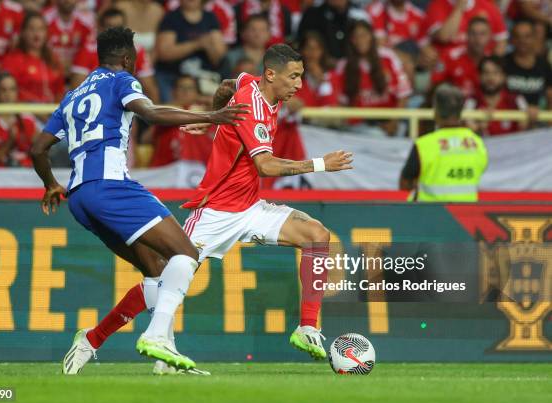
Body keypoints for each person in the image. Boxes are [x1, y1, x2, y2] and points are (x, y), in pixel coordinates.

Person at [69, 44, 354, 377]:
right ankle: (92, 338)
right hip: (216, 211)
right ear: (272, 75)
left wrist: (215, 120)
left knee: (317, 235)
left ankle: (306, 328)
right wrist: (322, 164)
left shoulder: (249, 83)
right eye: (294, 77)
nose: (299, 85)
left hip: (250, 206)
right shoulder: (253, 107)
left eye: (301, 77)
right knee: (163, 281)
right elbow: (265, 165)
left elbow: (226, 86)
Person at [29, 26, 249, 374]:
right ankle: (157, 338)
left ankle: (118, 346)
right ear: (128, 59)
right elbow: (149, 112)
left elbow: (37, 148)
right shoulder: (122, 80)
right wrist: (210, 116)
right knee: (186, 254)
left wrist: (51, 184)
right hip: (111, 186)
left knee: (156, 269)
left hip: (80, 197)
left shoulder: (72, 96)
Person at [400, 84, 488, 202]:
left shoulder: (424, 145)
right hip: (466, 214)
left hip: (429, 214)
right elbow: (481, 170)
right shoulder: (477, 143)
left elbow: (404, 184)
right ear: (461, 111)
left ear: (435, 111)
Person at [338, 20, 412, 137]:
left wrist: (394, 121)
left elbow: (404, 93)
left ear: (371, 37)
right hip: (359, 127)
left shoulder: (388, 57)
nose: (360, 40)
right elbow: (341, 103)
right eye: (355, 37)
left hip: (391, 121)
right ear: (351, 41)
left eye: (363, 35)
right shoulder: (344, 66)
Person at [70, 7, 158, 103]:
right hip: (94, 104)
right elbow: (77, 89)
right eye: (110, 27)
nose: (115, 32)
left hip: (126, 104)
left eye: (119, 27)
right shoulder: (88, 50)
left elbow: (150, 89)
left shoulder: (137, 50)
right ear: (100, 29)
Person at [1, 12, 65, 103]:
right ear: (23, 32)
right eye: (31, 29)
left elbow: (60, 92)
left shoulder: (54, 60)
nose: (37, 33)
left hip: (52, 112)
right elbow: (10, 93)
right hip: (25, 112)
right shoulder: (12, 60)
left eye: (41, 29)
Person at [0, 73, 38, 167]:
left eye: (12, 90)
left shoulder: (27, 119)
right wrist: (9, 142)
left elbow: (38, 156)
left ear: (17, 93)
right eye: (3, 90)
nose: (8, 94)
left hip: (27, 173)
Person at [465, 56, 529, 136]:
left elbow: (526, 130)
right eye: (486, 73)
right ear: (479, 77)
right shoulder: (472, 101)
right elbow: (469, 131)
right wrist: (480, 128)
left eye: (496, 73)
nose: (490, 78)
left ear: (503, 77)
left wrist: (530, 120)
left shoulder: (516, 99)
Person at [430, 16, 492, 98]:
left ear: (489, 36)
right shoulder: (449, 57)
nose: (478, 39)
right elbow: (435, 86)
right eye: (473, 33)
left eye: (482, 34)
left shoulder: (492, 60)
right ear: (466, 35)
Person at [504, 19, 552, 110]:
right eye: (517, 36)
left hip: (539, 120)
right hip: (509, 120)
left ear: (534, 38)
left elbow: (550, 96)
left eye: (527, 36)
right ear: (512, 39)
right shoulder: (503, 63)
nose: (522, 40)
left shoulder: (544, 65)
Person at [43, 0, 94, 73]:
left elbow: (90, 51)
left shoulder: (87, 21)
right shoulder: (45, 18)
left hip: (78, 72)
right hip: (50, 70)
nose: (67, 1)